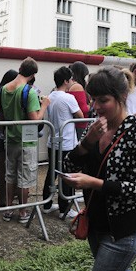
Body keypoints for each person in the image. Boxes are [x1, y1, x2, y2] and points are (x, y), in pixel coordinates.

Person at [63, 67, 136, 271]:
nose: (96, 107)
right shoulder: (93, 128)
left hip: (123, 230)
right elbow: (69, 165)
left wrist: (92, 183)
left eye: (103, 100)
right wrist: (86, 143)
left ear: (122, 96)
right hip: (95, 222)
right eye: (92, 99)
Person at [0, 57, 50, 223]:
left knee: (10, 175)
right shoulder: (29, 91)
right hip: (26, 141)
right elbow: (35, 119)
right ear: (33, 74)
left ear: (20, 68)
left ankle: (7, 210)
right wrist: (44, 105)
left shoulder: (4, 90)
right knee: (25, 177)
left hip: (10, 138)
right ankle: (22, 212)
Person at [43, 66, 84, 219]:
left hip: (52, 141)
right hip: (66, 142)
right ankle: (64, 207)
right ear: (66, 80)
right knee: (67, 175)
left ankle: (46, 204)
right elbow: (79, 115)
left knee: (51, 173)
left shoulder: (51, 96)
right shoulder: (68, 98)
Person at [0, 70, 19, 207]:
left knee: (3, 169)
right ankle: (7, 199)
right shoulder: (8, 92)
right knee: (10, 169)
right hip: (7, 134)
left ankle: (3, 199)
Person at [69, 61, 91, 140]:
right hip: (80, 125)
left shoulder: (71, 85)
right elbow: (83, 109)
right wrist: (91, 105)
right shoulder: (77, 87)